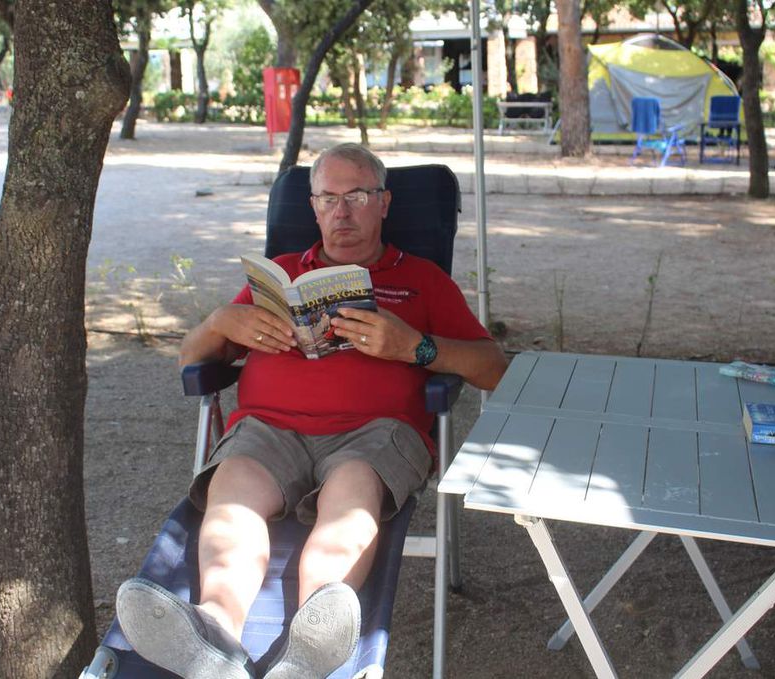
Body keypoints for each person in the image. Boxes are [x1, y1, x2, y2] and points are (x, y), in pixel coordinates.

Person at [116, 143, 507, 679]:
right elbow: (191, 359)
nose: (341, 212)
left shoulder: (423, 280)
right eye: (327, 198)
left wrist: (415, 347)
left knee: (350, 499)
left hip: (374, 435)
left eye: (356, 196)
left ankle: (310, 646)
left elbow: (494, 368)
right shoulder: (277, 274)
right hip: (267, 431)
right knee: (232, 499)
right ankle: (214, 635)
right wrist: (220, 323)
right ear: (313, 206)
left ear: (385, 202)